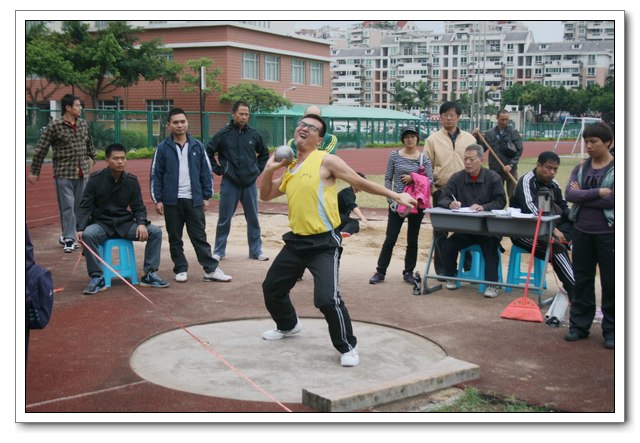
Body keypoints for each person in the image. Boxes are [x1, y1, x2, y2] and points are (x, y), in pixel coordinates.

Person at [259, 113, 416, 367]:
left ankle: (348, 346)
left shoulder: (326, 160)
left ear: (319, 140)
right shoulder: (291, 168)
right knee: (272, 289)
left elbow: (358, 181)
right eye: (301, 125)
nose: (304, 128)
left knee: (327, 299)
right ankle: (288, 325)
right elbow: (265, 195)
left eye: (312, 128)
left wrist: (396, 195)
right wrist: (268, 170)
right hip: (296, 242)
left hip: (323, 243)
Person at [76, 144, 170, 294]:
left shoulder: (131, 181)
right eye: (115, 158)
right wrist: (80, 228)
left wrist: (141, 223)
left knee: (155, 232)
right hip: (102, 224)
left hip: (124, 224)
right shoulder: (95, 179)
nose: (120, 162)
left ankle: (149, 274)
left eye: (122, 158)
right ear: (107, 160)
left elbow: (138, 207)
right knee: (88, 234)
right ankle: (97, 277)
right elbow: (85, 206)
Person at [151, 108, 231, 283]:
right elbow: (156, 174)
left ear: (187, 123)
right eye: (175, 122)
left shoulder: (197, 146)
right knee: (175, 237)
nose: (179, 125)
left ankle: (210, 269)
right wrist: (158, 199)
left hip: (194, 199)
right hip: (171, 201)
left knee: (199, 236)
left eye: (182, 122)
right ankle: (180, 268)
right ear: (169, 125)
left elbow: (206, 172)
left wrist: (206, 196)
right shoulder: (163, 148)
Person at [564, 122, 615, 349]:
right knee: (582, 279)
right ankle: (579, 325)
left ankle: (612, 330)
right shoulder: (581, 167)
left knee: (611, 282)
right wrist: (598, 192)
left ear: (608, 142)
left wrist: (583, 195)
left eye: (594, 142)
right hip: (582, 232)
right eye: (587, 142)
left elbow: (614, 200)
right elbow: (569, 194)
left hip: (609, 233)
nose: (589, 146)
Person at [436, 144, 507, 298]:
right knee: (448, 245)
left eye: (471, 159)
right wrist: (450, 203)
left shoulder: (493, 178)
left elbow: (501, 201)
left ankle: (492, 284)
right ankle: (451, 276)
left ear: (481, 160)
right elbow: (443, 197)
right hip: (466, 229)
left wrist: (484, 207)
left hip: (487, 230)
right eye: (465, 159)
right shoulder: (457, 178)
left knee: (490, 248)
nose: (467, 162)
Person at [28, 94, 96, 253]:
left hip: (82, 173)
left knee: (80, 207)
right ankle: (69, 239)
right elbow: (41, 148)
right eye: (77, 105)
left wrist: (92, 158)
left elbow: (89, 144)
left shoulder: (83, 124)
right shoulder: (55, 126)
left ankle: (74, 233)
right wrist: (35, 171)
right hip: (64, 173)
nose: (80, 108)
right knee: (67, 206)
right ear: (68, 107)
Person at [369, 125, 433, 286]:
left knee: (413, 239)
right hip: (397, 203)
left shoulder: (424, 158)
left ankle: (408, 272)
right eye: (406, 137)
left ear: (417, 138)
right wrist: (390, 199)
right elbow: (388, 178)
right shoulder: (394, 155)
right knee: (390, 238)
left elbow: (430, 181)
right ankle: (380, 271)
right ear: (402, 139)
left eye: (412, 136)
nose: (410, 139)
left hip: (416, 204)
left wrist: (413, 177)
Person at [206, 101, 269, 261]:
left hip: (249, 183)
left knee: (253, 218)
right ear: (233, 114)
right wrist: (219, 169)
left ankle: (256, 251)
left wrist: (256, 170)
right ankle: (219, 251)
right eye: (241, 113)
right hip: (230, 182)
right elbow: (208, 151)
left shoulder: (254, 134)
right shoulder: (223, 134)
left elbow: (264, 154)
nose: (244, 117)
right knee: (224, 218)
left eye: (246, 114)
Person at [509, 151, 574, 300]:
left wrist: (576, 220)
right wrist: (554, 231)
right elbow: (531, 210)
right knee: (556, 248)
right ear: (538, 165)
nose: (552, 172)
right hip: (524, 232)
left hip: (547, 231)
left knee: (579, 231)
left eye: (555, 169)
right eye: (548, 168)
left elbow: (563, 206)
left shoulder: (553, 183)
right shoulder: (527, 181)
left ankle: (576, 285)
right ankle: (574, 289)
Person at [424, 102, 477, 276]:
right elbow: (426, 168)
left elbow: (476, 164)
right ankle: (444, 270)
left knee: (467, 231)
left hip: (467, 190)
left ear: (458, 117)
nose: (448, 118)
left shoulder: (469, 139)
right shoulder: (432, 140)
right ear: (440, 117)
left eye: (452, 115)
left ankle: (468, 269)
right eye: (445, 115)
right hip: (442, 190)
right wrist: (434, 191)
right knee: (441, 232)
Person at [472, 109, 523, 199]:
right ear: (497, 118)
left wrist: (511, 164)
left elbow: (519, 150)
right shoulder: (490, 133)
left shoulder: (513, 132)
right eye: (502, 119)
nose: (504, 122)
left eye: (506, 119)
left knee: (514, 196)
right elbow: (481, 149)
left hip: (510, 169)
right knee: (496, 196)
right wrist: (477, 138)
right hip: (495, 169)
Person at [337, 172, 369, 237]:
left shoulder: (351, 193)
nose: (363, 186)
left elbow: (347, 213)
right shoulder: (347, 192)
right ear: (354, 183)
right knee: (354, 223)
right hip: (334, 216)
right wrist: (362, 218)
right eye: (362, 184)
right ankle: (342, 233)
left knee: (356, 228)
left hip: (339, 217)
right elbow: (353, 206)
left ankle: (340, 231)